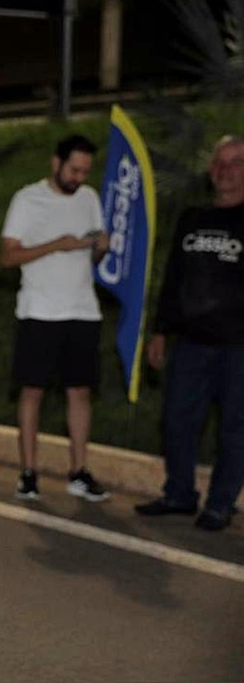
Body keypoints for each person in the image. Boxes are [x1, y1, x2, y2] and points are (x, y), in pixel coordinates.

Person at [134, 135, 244, 531]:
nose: (226, 170)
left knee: (235, 429)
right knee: (178, 420)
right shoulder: (192, 219)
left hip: (238, 348)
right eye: (220, 162)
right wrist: (161, 331)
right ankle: (179, 493)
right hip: (191, 344)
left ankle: (220, 503)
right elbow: (173, 279)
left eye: (236, 162)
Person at [0, 135, 112, 502]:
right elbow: (7, 257)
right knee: (33, 391)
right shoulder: (27, 199)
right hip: (39, 311)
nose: (79, 177)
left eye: (85, 171)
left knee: (79, 392)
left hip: (82, 310)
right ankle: (29, 472)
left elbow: (91, 259)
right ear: (56, 163)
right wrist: (55, 245)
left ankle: (79, 472)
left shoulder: (90, 199)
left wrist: (98, 249)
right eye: (74, 169)